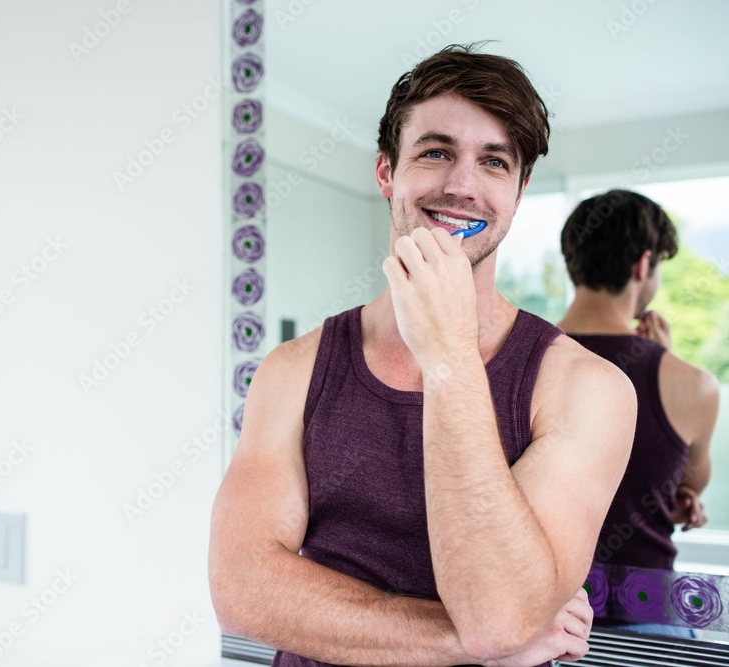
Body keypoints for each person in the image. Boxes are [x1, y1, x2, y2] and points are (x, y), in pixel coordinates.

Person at [209, 44, 636, 667]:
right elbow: (243, 592)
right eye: (435, 152)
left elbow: (500, 614)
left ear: (519, 191)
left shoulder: (585, 388)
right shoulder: (294, 370)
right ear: (387, 173)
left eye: (494, 162)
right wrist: (471, 641)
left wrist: (449, 356)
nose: (461, 186)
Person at [557, 190, 718, 636]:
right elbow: (688, 486)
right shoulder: (694, 385)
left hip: (544, 616)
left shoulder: (516, 358)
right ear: (643, 265)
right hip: (647, 616)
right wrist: (665, 363)